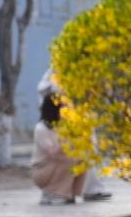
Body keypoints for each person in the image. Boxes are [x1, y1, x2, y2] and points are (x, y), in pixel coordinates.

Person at [37, 68, 112, 201]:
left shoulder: (87, 68)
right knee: (67, 155)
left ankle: (90, 189)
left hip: (76, 114)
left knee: (86, 151)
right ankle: (55, 192)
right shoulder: (58, 69)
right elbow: (48, 90)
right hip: (62, 118)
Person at [31, 93, 87, 205]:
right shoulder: (41, 128)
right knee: (69, 160)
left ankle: (70, 193)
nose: (67, 110)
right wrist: (65, 136)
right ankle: (53, 193)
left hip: (57, 164)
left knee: (82, 159)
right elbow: (52, 153)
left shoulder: (65, 126)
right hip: (43, 170)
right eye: (64, 107)